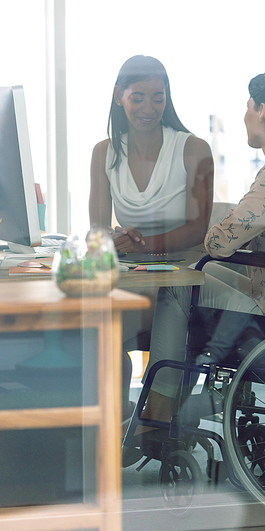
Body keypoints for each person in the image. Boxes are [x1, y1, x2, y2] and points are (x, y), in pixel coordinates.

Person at [128, 68, 265, 455]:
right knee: (202, 271)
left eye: (247, 107)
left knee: (178, 287)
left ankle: (159, 410)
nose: (245, 115)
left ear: (262, 112)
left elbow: (220, 240)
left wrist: (210, 226)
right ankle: (179, 405)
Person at [89, 55, 213, 418]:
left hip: (183, 274)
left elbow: (198, 228)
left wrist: (145, 245)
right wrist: (112, 242)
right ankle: (119, 420)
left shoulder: (193, 148)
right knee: (100, 326)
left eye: (158, 97)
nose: (149, 108)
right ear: (118, 96)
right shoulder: (104, 153)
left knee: (171, 298)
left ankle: (157, 415)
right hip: (133, 277)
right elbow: (97, 233)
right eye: (138, 97)